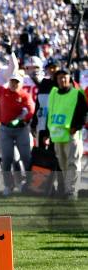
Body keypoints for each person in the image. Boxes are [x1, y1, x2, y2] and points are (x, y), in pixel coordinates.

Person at [0, 69, 35, 195]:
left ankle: (30, 185)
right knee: (7, 158)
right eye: (12, 82)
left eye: (17, 82)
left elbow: (31, 111)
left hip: (21, 130)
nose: (14, 84)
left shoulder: (25, 95)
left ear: (21, 83)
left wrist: (21, 119)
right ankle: (8, 185)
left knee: (26, 158)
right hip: (5, 130)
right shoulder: (3, 92)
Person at [47, 69, 87, 199]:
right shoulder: (53, 93)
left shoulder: (77, 94)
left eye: (65, 77)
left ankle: (72, 191)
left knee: (73, 163)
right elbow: (51, 112)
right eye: (60, 78)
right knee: (63, 164)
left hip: (71, 134)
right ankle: (67, 188)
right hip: (57, 135)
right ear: (57, 80)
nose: (62, 80)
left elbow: (83, 112)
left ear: (69, 78)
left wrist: (76, 127)